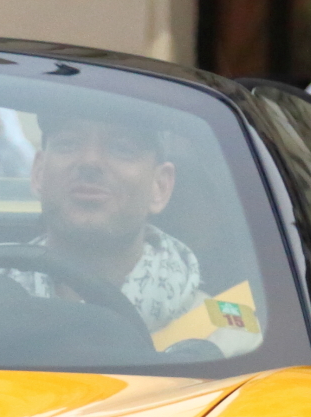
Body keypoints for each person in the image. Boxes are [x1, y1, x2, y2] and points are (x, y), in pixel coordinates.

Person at [12, 112, 204, 333]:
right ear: (38, 173)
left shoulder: (225, 341)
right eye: (68, 144)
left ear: (159, 186)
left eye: (121, 148)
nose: (89, 162)